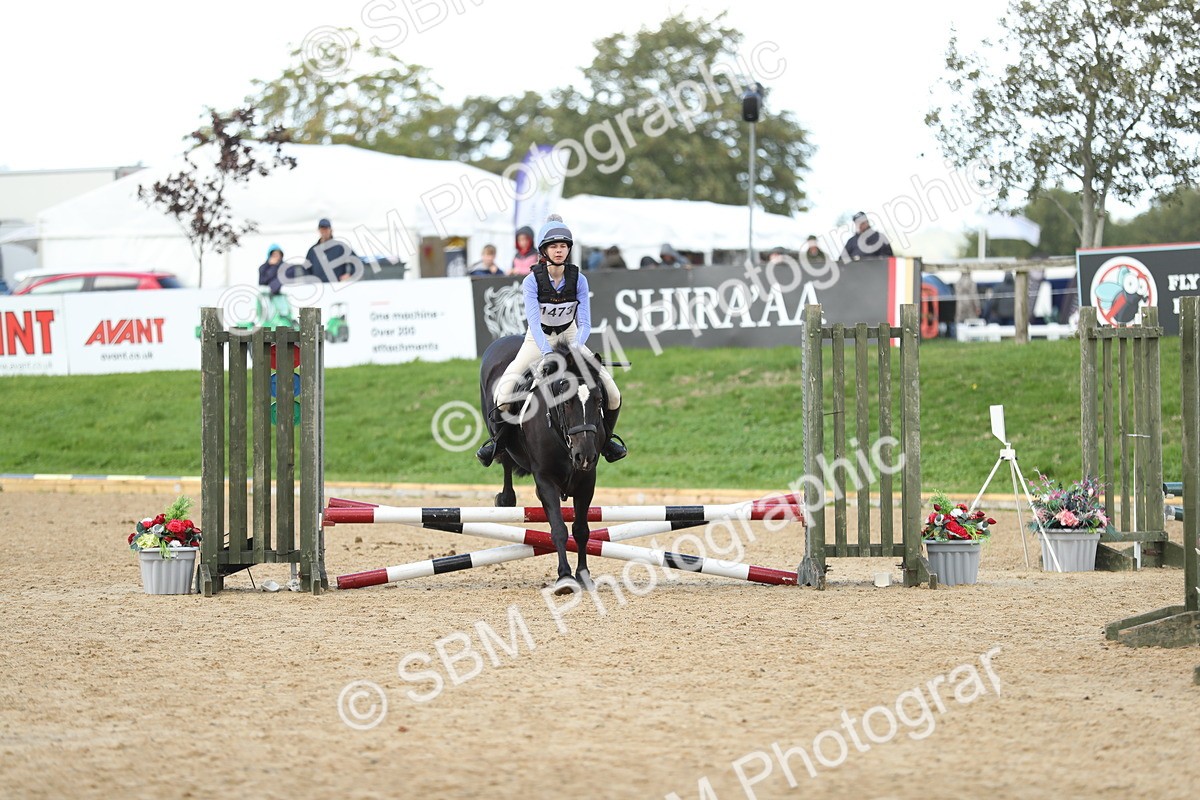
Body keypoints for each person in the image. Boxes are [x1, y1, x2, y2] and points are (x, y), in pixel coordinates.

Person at [476, 214, 626, 467]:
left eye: (563, 246)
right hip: (538, 339)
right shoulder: (531, 280)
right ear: (544, 250)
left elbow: (585, 323)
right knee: (503, 394)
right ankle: (498, 444)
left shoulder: (579, 279)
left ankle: (607, 442)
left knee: (612, 392)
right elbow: (534, 323)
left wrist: (574, 349)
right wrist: (548, 353)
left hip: (569, 336)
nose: (559, 251)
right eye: (554, 246)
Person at [305, 218, 360, 282]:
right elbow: (306, 268)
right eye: (322, 228)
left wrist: (349, 274)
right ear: (319, 230)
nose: (324, 231)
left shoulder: (340, 247)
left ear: (331, 230)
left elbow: (356, 261)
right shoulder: (312, 251)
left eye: (326, 228)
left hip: (337, 286)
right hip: (319, 287)